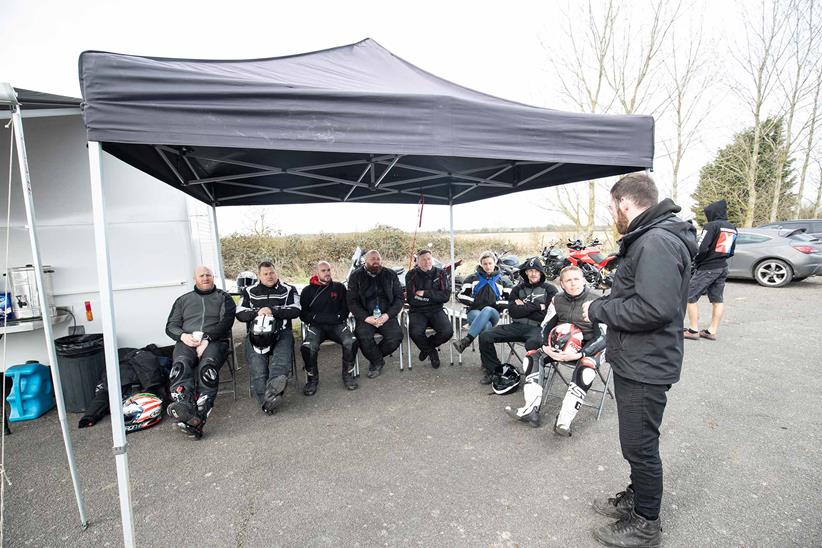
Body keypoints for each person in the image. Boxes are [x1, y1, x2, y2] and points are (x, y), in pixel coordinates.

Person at [582, 173, 696, 547]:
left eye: (612, 207)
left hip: (645, 364)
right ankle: (637, 498)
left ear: (625, 204)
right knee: (636, 443)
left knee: (640, 446)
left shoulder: (656, 241)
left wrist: (598, 308)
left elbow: (654, 309)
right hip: (638, 358)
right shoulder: (651, 237)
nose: (612, 213)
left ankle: (646, 523)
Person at [504, 265, 605, 434]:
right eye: (568, 281)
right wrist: (546, 346)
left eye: (576, 279)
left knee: (586, 368)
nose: (573, 284)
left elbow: (603, 336)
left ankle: (564, 420)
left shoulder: (597, 301)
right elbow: (545, 326)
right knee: (532, 356)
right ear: (562, 284)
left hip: (591, 347)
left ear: (583, 280)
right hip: (560, 344)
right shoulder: (557, 299)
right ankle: (530, 409)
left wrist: (580, 353)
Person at [165, 265, 236, 438]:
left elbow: (226, 323)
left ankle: (198, 417)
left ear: (213, 277)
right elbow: (170, 326)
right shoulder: (183, 300)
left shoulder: (224, 298)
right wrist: (183, 336)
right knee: (180, 366)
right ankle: (186, 409)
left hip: (215, 341)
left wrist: (208, 339)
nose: (205, 278)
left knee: (207, 369)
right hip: (187, 341)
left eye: (208, 275)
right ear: (194, 279)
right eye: (202, 275)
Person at [477, 257, 557, 385]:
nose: (533, 274)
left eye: (536, 271)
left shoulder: (550, 289)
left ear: (541, 272)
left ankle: (534, 375)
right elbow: (513, 312)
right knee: (485, 335)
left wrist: (524, 307)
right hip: (517, 325)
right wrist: (536, 306)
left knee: (532, 344)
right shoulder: (518, 289)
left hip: (538, 329)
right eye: (530, 271)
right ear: (526, 273)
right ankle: (495, 371)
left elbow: (546, 315)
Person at [235, 261, 300, 415]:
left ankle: (271, 395)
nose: (269, 276)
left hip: (281, 332)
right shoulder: (249, 291)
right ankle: (267, 401)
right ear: (259, 275)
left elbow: (296, 310)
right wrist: (258, 311)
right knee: (258, 368)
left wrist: (272, 310)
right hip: (256, 334)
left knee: (280, 363)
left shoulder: (289, 289)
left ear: (276, 273)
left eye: (271, 273)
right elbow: (240, 313)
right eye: (265, 274)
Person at [299, 261, 358, 393]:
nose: (327, 273)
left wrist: (337, 318)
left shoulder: (339, 288)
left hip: (337, 325)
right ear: (317, 273)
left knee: (351, 342)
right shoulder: (307, 291)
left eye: (328, 270)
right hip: (316, 327)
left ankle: (347, 375)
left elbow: (345, 310)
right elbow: (303, 314)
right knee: (308, 348)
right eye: (323, 271)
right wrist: (317, 318)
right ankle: (312, 380)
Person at [685, 199, 738, 341]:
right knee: (717, 299)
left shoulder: (711, 225)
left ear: (712, 213)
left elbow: (701, 247)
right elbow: (731, 250)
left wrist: (696, 260)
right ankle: (711, 331)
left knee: (689, 296)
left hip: (708, 267)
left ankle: (693, 330)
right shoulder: (732, 227)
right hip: (722, 266)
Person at [347, 250, 404, 379]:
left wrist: (387, 315)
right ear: (365, 261)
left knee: (396, 336)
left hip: (386, 315)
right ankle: (378, 362)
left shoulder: (390, 275)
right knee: (363, 336)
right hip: (366, 316)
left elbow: (399, 298)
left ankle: (375, 358)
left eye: (378, 259)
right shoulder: (356, 276)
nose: (376, 262)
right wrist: (367, 318)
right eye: (372, 259)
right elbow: (351, 301)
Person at [452, 251, 512, 357]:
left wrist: (495, 303)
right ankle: (487, 361)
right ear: (480, 264)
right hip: (474, 311)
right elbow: (460, 295)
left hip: (494, 313)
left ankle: (467, 340)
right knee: (485, 325)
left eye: (490, 263)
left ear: (495, 263)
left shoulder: (504, 280)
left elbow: (510, 300)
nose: (488, 266)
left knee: (488, 309)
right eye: (485, 264)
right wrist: (475, 302)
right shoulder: (472, 278)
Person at [405, 249, 454, 369]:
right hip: (417, 311)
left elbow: (445, 296)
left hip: (436, 310)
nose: (427, 262)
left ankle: (427, 347)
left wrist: (426, 294)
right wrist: (434, 297)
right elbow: (412, 299)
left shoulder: (441, 273)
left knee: (447, 332)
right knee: (415, 333)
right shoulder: (411, 274)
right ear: (418, 262)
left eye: (429, 259)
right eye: (423, 259)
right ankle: (432, 352)